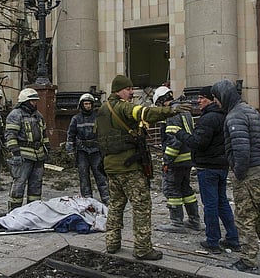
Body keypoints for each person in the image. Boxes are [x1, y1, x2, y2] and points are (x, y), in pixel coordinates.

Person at [94, 75, 192, 261]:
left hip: (111, 167)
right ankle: (142, 248)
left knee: (115, 205)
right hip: (129, 167)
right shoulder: (122, 107)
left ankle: (112, 243)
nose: (132, 92)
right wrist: (170, 110)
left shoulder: (102, 110)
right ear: (119, 90)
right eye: (128, 89)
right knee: (141, 207)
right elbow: (144, 113)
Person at [211, 79, 260, 274]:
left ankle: (248, 260)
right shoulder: (250, 110)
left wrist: (239, 173)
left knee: (245, 218)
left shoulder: (234, 116)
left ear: (223, 97)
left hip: (250, 173)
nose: (215, 102)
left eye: (216, 98)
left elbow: (241, 150)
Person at [167, 86, 240, 254]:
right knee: (223, 203)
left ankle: (212, 241)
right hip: (221, 166)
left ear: (211, 99)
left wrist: (180, 133)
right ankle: (233, 239)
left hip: (208, 167)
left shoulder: (208, 119)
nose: (198, 101)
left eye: (202, 98)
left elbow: (198, 142)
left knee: (211, 205)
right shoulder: (224, 116)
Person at [152, 86, 201, 234]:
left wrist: (167, 160)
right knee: (186, 188)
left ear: (162, 101)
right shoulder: (185, 111)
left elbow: (174, 141)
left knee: (171, 189)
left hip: (177, 159)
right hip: (187, 158)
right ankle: (194, 220)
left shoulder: (172, 114)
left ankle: (176, 222)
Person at [5, 88, 51, 212]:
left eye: (36, 101)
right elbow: (10, 135)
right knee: (19, 184)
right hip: (23, 156)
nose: (35, 103)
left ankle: (33, 211)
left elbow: (44, 135)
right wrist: (15, 153)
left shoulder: (38, 116)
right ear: (24, 101)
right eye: (32, 101)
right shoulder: (15, 115)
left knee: (36, 186)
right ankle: (14, 212)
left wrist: (48, 150)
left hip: (38, 156)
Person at [0, 196, 108, 234]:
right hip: (48, 210)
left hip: (45, 206)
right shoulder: (90, 206)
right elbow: (85, 225)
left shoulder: (87, 204)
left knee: (15, 215)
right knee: (18, 220)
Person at [66, 93, 109, 205]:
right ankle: (87, 201)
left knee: (100, 176)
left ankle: (106, 199)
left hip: (96, 151)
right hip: (82, 152)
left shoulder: (98, 117)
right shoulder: (76, 119)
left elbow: (104, 133)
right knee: (84, 176)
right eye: (86, 104)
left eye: (90, 103)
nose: (88, 106)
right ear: (81, 105)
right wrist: (70, 150)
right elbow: (71, 135)